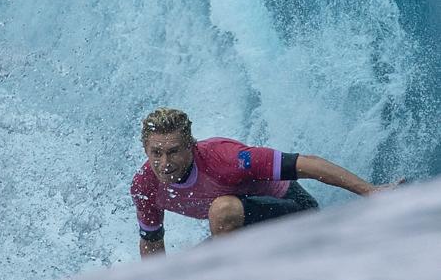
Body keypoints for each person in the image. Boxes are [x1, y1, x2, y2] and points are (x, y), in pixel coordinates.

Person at [131, 107, 403, 258]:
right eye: (156, 152)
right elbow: (152, 242)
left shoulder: (225, 158)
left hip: (296, 212)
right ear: (145, 149)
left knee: (222, 209)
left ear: (191, 145)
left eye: (174, 151)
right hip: (242, 231)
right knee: (190, 265)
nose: (165, 162)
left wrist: (371, 191)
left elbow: (306, 164)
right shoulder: (144, 186)